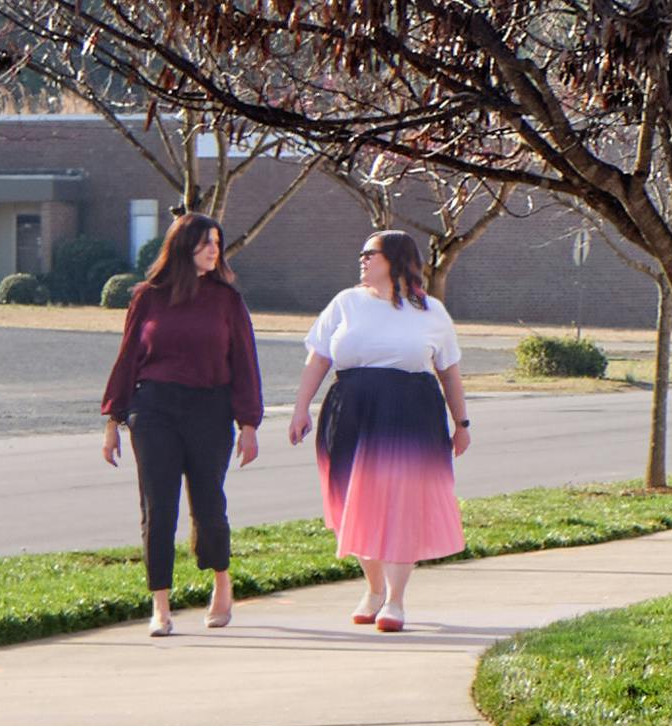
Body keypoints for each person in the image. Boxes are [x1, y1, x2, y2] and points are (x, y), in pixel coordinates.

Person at [93, 211, 265, 634]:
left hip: (210, 409)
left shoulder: (227, 300)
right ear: (183, 245)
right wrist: (113, 419)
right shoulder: (148, 297)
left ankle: (222, 583)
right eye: (206, 241)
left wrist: (249, 424)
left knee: (209, 507)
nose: (213, 250)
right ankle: (161, 605)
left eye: (217, 243)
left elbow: (244, 362)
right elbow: (128, 356)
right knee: (158, 506)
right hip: (153, 410)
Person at [289, 228, 468, 634]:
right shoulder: (346, 303)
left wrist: (462, 423)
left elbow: (449, 372)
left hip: (410, 414)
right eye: (362, 254)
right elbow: (317, 360)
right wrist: (301, 408)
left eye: (370, 253)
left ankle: (396, 599)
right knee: (353, 500)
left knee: (400, 504)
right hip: (350, 408)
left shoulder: (431, 312)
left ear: (396, 259)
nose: (362, 260)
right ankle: (372, 589)